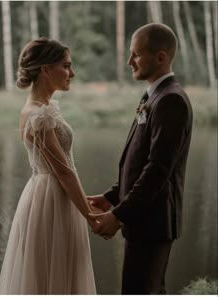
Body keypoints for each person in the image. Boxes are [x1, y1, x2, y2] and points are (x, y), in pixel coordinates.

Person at [88, 23, 193, 294]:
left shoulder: (172, 100)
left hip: (153, 223)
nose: (129, 61)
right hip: (144, 219)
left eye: (136, 54)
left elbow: (158, 170)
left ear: (161, 57)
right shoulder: (155, 95)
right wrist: (113, 195)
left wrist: (119, 215)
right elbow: (140, 161)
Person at [0, 37, 100, 294]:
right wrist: (91, 217)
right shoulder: (38, 116)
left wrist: (84, 204)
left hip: (52, 195)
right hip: (51, 201)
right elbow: (64, 171)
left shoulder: (43, 109)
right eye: (66, 66)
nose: (72, 73)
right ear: (44, 69)